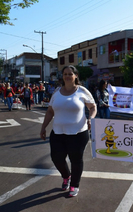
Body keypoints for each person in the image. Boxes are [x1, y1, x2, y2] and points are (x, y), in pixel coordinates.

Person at [40, 65, 97, 197]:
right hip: (58, 133)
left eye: (70, 74)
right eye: (65, 74)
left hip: (78, 133)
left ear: (76, 76)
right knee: (56, 158)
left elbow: (93, 107)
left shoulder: (82, 91)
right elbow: (50, 111)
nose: (67, 76)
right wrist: (43, 127)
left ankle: (74, 185)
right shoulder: (57, 92)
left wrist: (91, 119)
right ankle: (66, 176)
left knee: (76, 160)